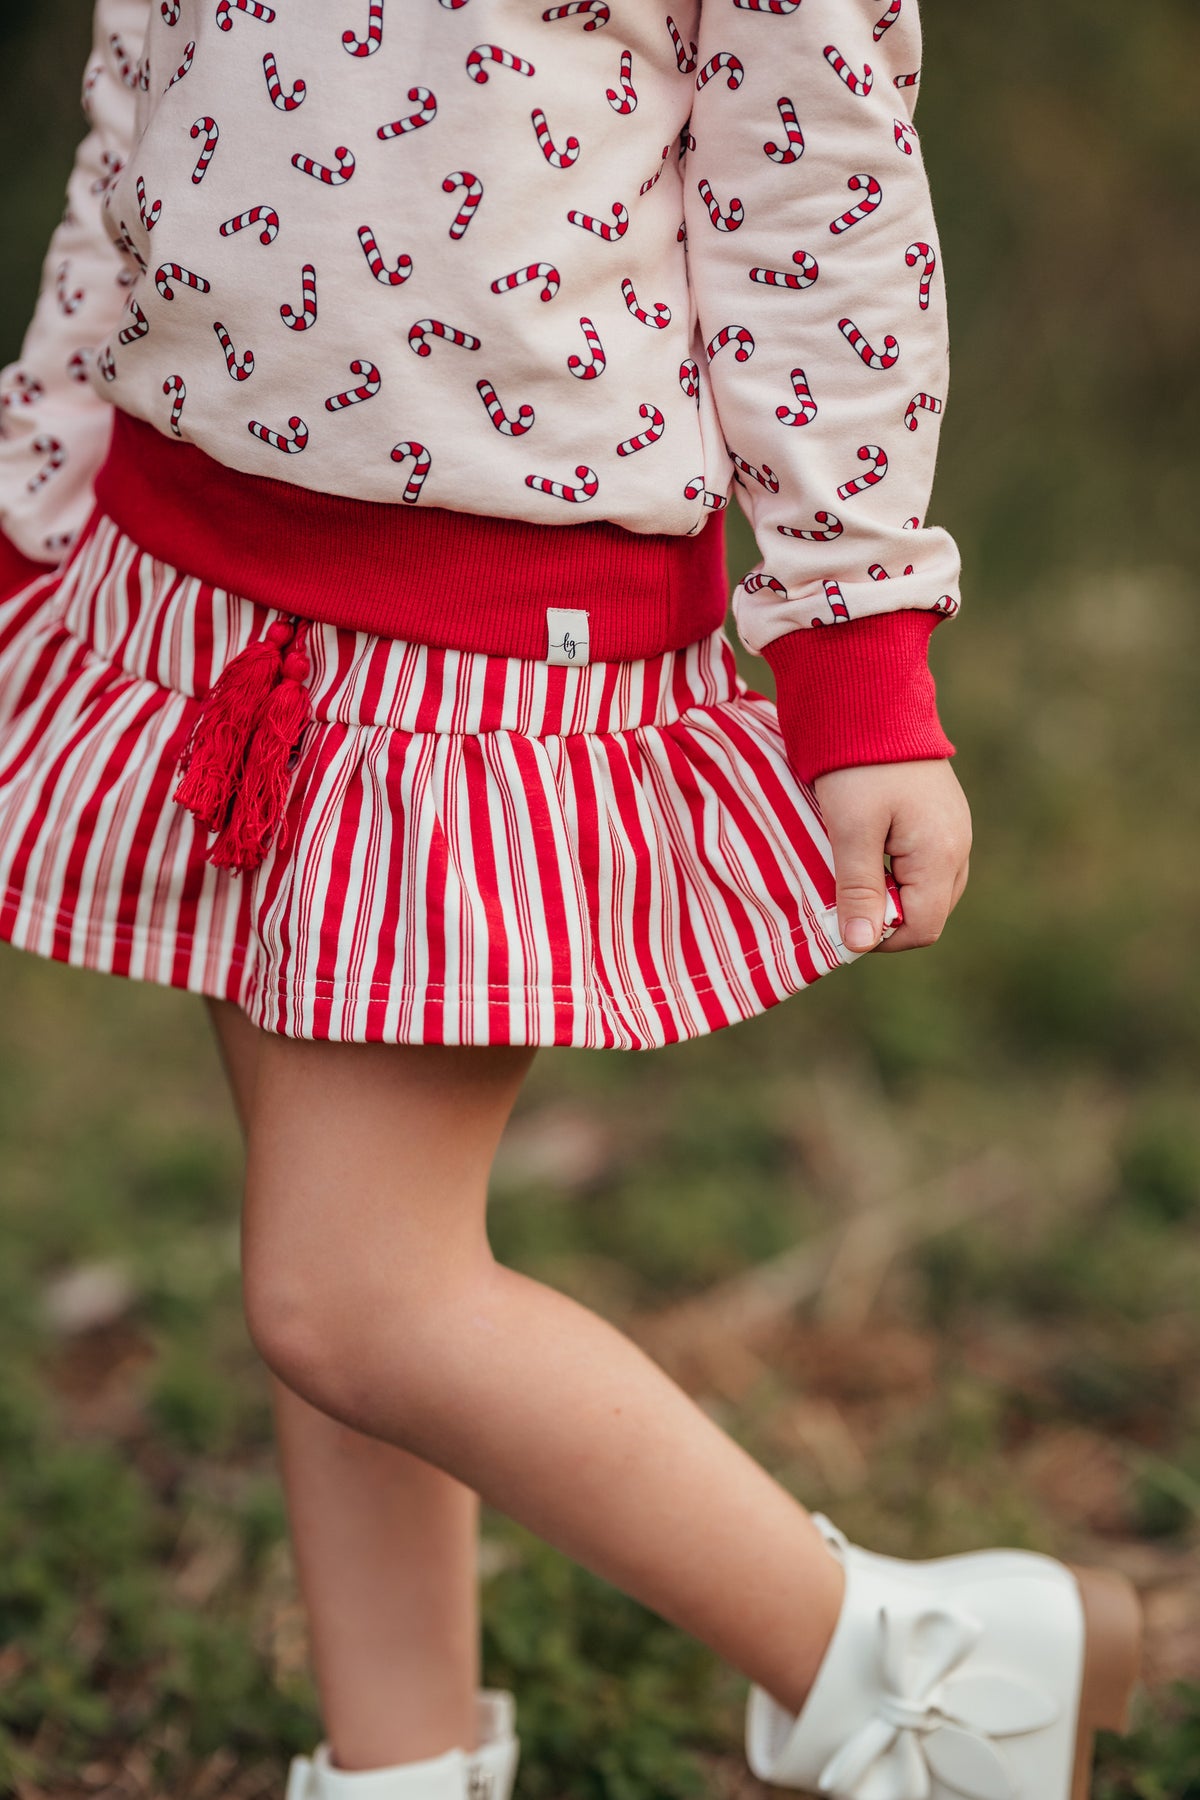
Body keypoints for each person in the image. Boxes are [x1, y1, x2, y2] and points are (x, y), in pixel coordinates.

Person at [0, 4, 1142, 1797]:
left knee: (347, 1295)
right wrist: (45, 469)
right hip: (199, 554)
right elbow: (135, 96)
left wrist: (855, 644)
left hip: (481, 639)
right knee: (353, 1261)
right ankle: (405, 1764)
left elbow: (817, 198)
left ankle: (931, 1671)